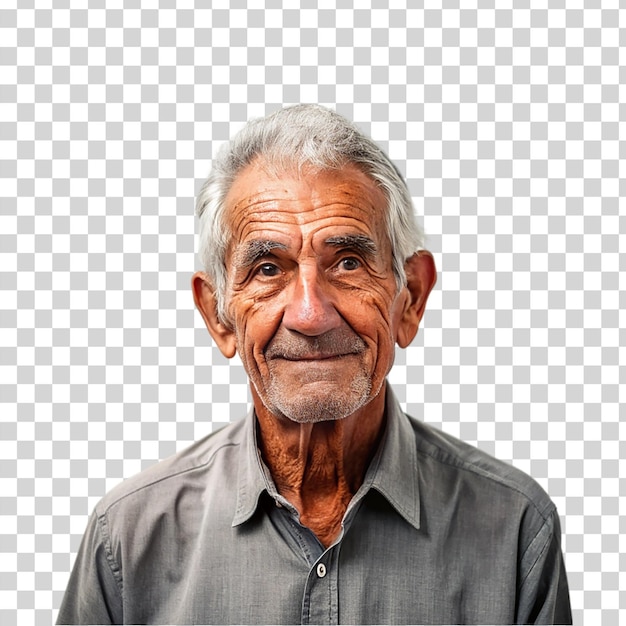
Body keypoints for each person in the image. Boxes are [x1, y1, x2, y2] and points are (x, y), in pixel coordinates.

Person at [57, 104, 571, 624]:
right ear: (219, 316)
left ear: (410, 298)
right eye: (267, 269)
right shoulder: (126, 539)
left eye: (348, 263)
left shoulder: (516, 531)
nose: (310, 314)